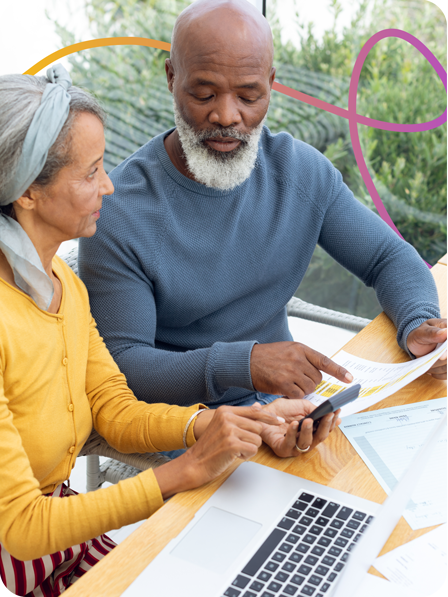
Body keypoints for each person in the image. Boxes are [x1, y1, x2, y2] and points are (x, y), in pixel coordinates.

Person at [0, 65, 340, 596]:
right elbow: (20, 528)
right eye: (90, 173)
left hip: (59, 543)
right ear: (27, 193)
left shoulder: (61, 283)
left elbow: (114, 408)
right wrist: (181, 473)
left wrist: (222, 425)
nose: (108, 185)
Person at [79, 0, 447, 411]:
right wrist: (243, 365)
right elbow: (124, 366)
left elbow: (387, 256)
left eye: (249, 95)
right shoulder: (118, 210)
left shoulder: (299, 172)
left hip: (288, 403)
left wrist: (417, 321)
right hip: (184, 424)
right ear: (171, 77)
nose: (225, 114)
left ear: (271, 83)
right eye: (204, 93)